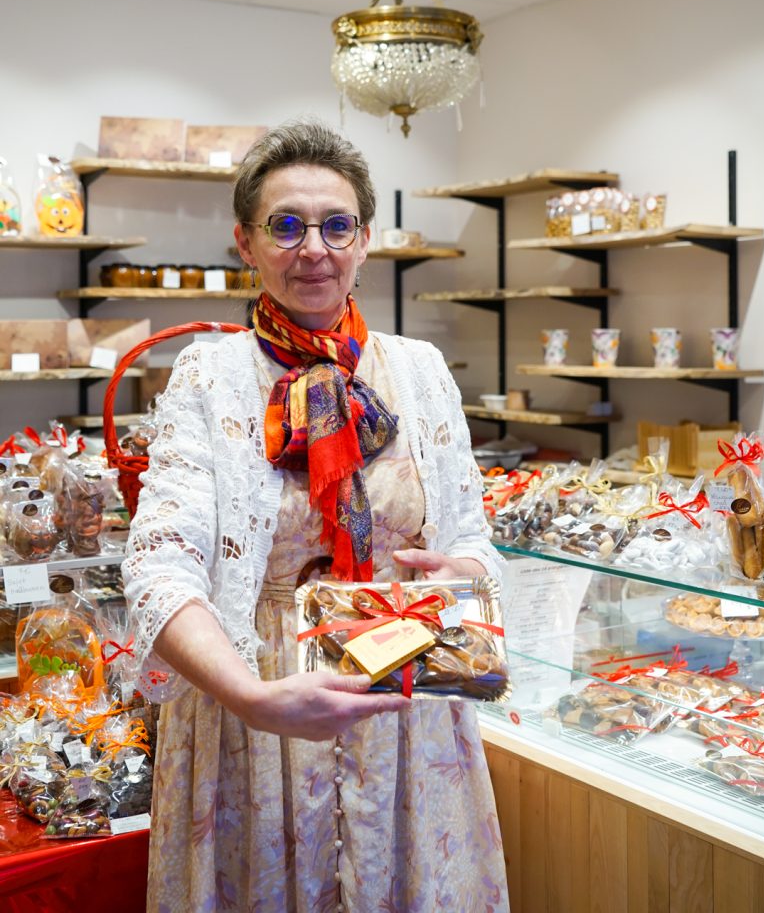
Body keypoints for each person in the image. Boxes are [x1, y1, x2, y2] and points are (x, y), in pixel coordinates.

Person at [122, 119, 510, 913]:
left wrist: (462, 571)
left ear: (365, 241)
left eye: (336, 226)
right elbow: (158, 564)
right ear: (246, 242)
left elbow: (473, 536)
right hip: (257, 713)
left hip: (408, 718)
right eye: (286, 226)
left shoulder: (420, 370)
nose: (314, 249)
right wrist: (251, 697)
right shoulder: (210, 374)